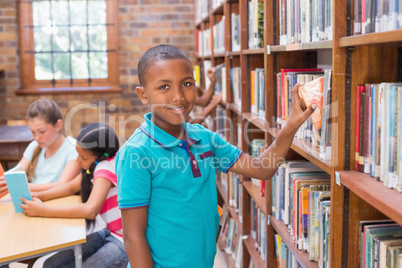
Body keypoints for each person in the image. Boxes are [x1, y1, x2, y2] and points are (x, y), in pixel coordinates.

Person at [116, 44, 316, 268]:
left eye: (186, 84)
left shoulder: (205, 139)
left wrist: (291, 125)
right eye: (164, 87)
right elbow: (133, 237)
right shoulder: (136, 153)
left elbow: (262, 168)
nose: (178, 97)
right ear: (143, 95)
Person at [20, 122, 128, 268]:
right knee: (50, 264)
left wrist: (42, 210)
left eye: (83, 158)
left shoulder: (104, 169)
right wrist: (38, 197)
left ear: (100, 157)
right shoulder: (96, 165)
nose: (78, 161)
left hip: (123, 241)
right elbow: (70, 187)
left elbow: (90, 210)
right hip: (110, 231)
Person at [0, 99, 81, 197]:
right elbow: (16, 174)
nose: (36, 137)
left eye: (42, 131)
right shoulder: (35, 145)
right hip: (35, 201)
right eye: (33, 132)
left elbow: (62, 185)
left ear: (58, 125)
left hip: (60, 202)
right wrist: (7, 181)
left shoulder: (73, 148)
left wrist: (21, 185)